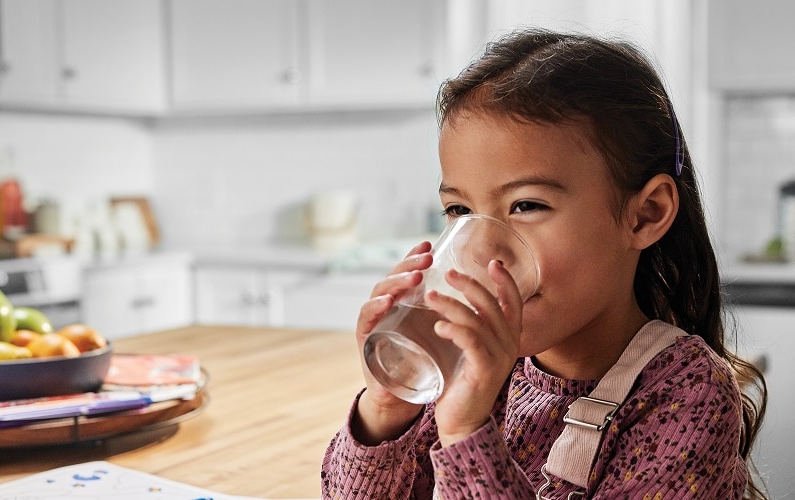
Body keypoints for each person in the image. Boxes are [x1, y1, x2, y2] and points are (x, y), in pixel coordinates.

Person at [320, 28, 767, 499]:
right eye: (460, 212)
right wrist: (384, 411)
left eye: (527, 206)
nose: (482, 249)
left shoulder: (687, 398)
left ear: (645, 214)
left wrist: (467, 435)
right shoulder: (477, 365)